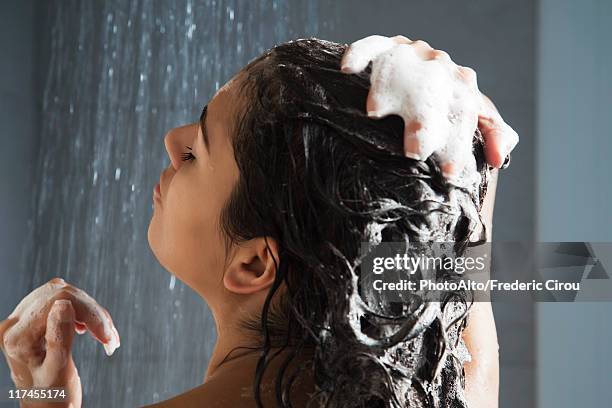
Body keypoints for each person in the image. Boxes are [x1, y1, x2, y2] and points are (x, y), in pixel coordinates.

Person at [1, 36, 516, 407]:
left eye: (197, 153)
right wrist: (469, 160)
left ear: (251, 263)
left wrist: (42, 397)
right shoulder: (448, 392)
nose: (172, 139)